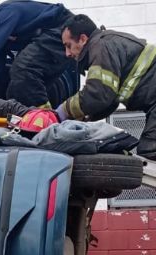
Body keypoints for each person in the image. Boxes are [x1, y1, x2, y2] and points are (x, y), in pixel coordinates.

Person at [56, 14, 156, 159]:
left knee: (151, 151)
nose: (67, 53)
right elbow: (108, 99)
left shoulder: (101, 46)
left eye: (68, 46)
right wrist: (83, 118)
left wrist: (63, 111)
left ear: (83, 39)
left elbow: (97, 94)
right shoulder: (106, 43)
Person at [0, 0, 74, 107]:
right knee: (13, 92)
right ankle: (33, 123)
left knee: (21, 68)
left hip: (64, 29)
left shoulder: (5, 12)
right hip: (50, 44)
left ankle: (45, 117)